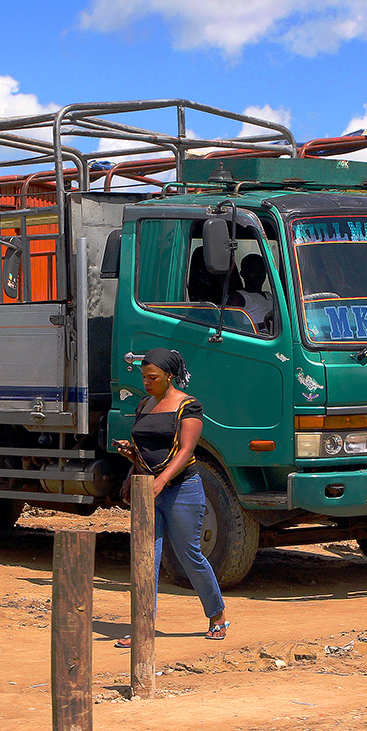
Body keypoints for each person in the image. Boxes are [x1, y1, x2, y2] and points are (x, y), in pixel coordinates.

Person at [113, 347, 230, 645]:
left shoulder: (188, 407)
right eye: (143, 377)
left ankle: (217, 614)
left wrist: (162, 480)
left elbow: (186, 450)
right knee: (145, 558)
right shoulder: (144, 405)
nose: (147, 383)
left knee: (189, 555)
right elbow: (148, 449)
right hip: (147, 488)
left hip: (181, 489)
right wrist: (131, 454)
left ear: (169, 376)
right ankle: (141, 626)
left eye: (152, 377)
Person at [226, 253, 273, 329]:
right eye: (253, 270)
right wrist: (266, 324)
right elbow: (234, 327)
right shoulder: (239, 297)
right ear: (242, 274)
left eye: (261, 270)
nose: (258, 274)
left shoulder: (269, 295)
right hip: (255, 338)